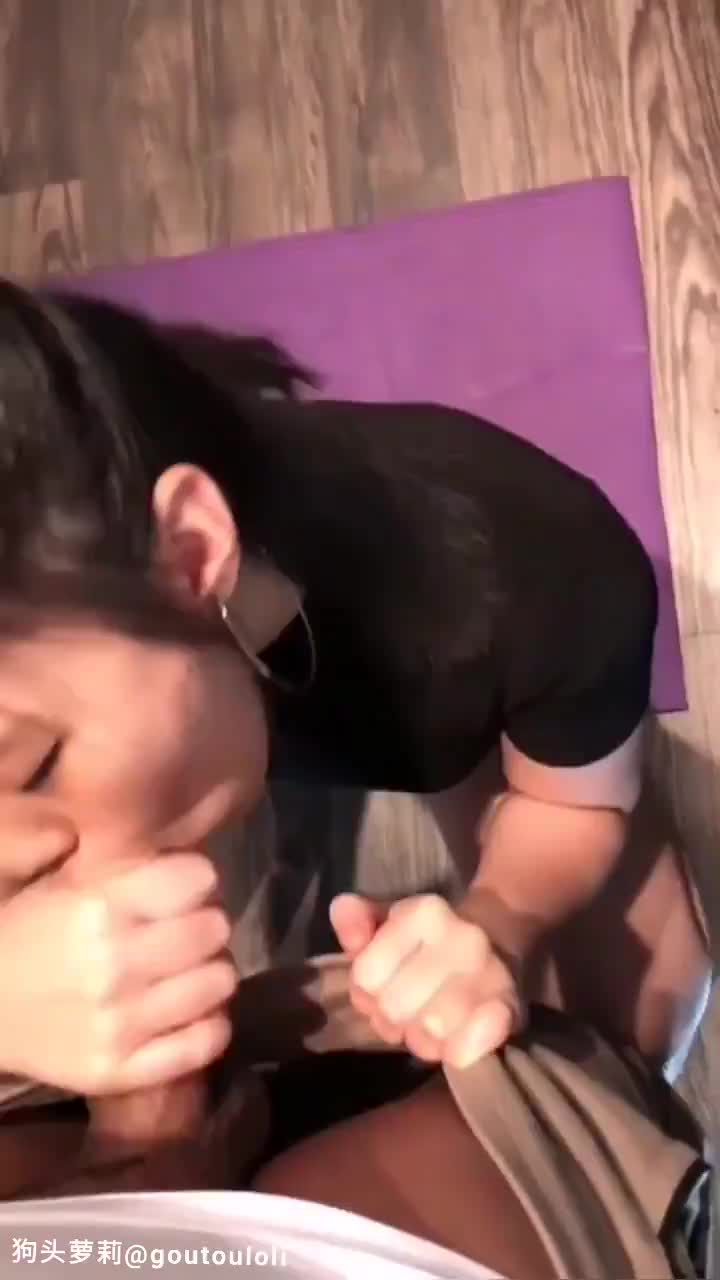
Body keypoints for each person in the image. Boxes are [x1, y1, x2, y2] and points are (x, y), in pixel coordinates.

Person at [0, 279, 710, 1277]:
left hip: (459, 678)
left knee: (643, 1000)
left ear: (191, 552)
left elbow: (575, 804)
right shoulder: (130, 696)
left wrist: (499, 921)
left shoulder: (520, 570)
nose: (14, 872)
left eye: (33, 765)